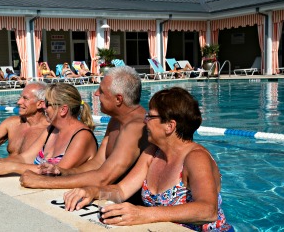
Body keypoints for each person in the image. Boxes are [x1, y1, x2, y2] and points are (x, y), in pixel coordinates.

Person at [63, 87, 233, 231]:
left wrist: (143, 214)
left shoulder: (196, 158)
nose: (145, 121)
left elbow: (207, 210)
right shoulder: (153, 153)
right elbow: (121, 191)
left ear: (169, 126)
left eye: (150, 117)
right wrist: (92, 191)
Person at [20, 66, 149, 200]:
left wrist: (42, 182)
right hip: (113, 195)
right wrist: (62, 171)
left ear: (118, 99)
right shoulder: (116, 121)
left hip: (129, 202)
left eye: (102, 91)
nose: (96, 94)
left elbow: (103, 178)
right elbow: (98, 163)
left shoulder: (135, 127)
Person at [0, 83, 98, 177]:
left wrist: (12, 167)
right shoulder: (51, 129)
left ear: (63, 109)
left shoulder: (82, 136)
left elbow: (58, 172)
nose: (43, 107)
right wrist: (0, 162)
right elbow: (25, 157)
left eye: (47, 104)